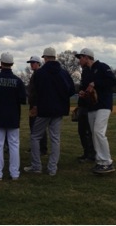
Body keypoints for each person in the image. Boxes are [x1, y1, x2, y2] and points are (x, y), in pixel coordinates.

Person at [24, 47, 75, 176]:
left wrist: (35, 105)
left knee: (35, 136)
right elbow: (71, 90)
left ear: (45, 58)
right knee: (55, 139)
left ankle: (37, 166)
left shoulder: (40, 73)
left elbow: (34, 92)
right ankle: (52, 168)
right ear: (55, 57)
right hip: (59, 110)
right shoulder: (63, 73)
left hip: (44, 109)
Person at [75, 48, 116, 174]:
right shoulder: (86, 72)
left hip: (104, 105)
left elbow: (112, 81)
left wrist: (96, 83)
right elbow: (84, 88)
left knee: (99, 132)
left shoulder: (102, 67)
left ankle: (107, 162)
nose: (79, 60)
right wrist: (82, 93)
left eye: (81, 57)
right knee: (94, 133)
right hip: (91, 106)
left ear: (87, 57)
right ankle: (100, 161)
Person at [0, 52, 26, 181]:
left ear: (1, 63)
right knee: (14, 145)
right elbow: (22, 99)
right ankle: (14, 173)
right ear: (12, 64)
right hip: (13, 115)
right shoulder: (18, 81)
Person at [26, 55, 48, 156]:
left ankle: (42, 148)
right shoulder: (35, 74)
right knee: (33, 127)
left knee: (39, 127)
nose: (31, 64)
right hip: (33, 104)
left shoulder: (39, 75)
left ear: (38, 63)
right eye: (31, 63)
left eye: (33, 62)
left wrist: (36, 105)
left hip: (37, 105)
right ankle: (36, 147)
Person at [75, 64, 96, 163]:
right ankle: (87, 153)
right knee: (82, 131)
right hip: (83, 105)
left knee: (87, 132)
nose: (80, 60)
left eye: (81, 57)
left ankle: (91, 155)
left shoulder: (90, 72)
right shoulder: (84, 72)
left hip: (88, 107)